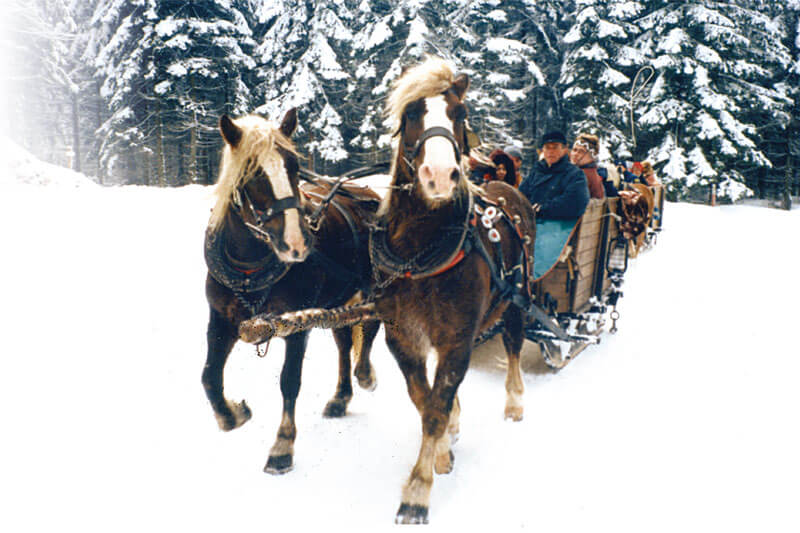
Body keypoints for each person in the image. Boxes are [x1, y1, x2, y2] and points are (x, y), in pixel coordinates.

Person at [519, 130, 590, 219]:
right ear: (542, 150)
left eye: (555, 147)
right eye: (547, 147)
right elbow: (521, 194)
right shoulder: (536, 171)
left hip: (561, 226)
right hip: (531, 221)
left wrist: (542, 209)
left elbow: (574, 203)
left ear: (564, 150)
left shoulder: (575, 174)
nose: (551, 151)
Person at [569, 133, 606, 199]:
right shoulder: (591, 173)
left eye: (581, 151)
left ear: (592, 156)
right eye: (574, 150)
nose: (575, 154)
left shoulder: (582, 176)